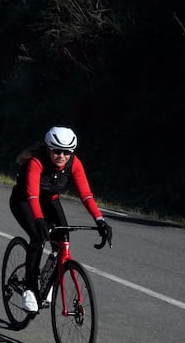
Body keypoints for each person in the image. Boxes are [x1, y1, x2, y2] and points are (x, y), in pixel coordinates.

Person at [9, 126, 113, 312]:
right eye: (57, 151)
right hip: (24, 200)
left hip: (50, 201)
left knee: (63, 239)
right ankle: (30, 288)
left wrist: (100, 220)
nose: (62, 156)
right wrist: (39, 219)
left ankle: (47, 278)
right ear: (48, 149)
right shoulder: (37, 161)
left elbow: (86, 195)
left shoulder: (74, 164)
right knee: (38, 237)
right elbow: (32, 195)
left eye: (67, 152)